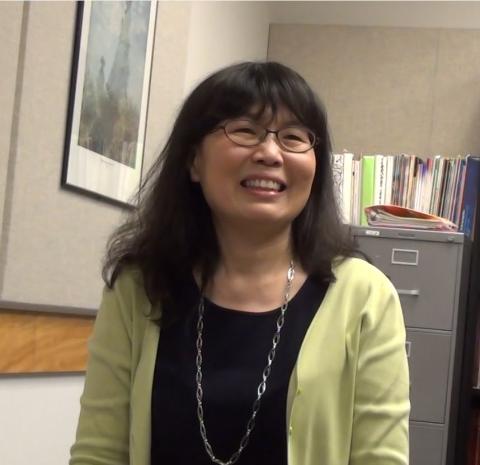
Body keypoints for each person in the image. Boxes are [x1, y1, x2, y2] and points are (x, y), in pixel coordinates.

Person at [69, 61, 410, 465]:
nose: (270, 152)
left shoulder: (365, 296)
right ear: (193, 161)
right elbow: (99, 453)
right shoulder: (138, 287)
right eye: (245, 130)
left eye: (294, 137)